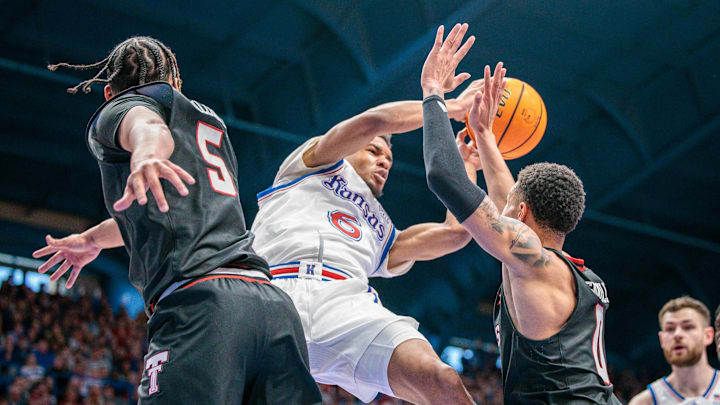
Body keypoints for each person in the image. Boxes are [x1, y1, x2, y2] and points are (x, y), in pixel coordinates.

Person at [35, 36, 321, 404]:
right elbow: (161, 207)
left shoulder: (126, 108)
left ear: (109, 94)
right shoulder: (210, 122)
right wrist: (91, 240)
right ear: (176, 85)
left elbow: (149, 129)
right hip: (272, 308)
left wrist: (145, 156)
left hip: (204, 307)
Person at [250, 23, 481, 405]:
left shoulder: (384, 231)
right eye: (374, 152)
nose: (383, 161)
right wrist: (446, 105)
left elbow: (457, 232)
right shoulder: (313, 163)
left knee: (441, 380)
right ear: (350, 150)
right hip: (267, 298)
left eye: (388, 159)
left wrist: (465, 161)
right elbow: (375, 122)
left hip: (346, 307)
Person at [420, 24, 622, 404]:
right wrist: (484, 134)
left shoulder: (532, 261)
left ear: (523, 213)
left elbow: (443, 176)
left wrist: (432, 93)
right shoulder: (572, 273)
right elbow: (507, 196)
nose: (500, 207)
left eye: (511, 205)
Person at [628, 296, 719, 405]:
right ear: (661, 339)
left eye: (688, 327)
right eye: (670, 329)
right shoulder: (645, 402)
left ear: (708, 335)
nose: (677, 335)